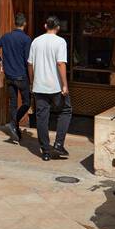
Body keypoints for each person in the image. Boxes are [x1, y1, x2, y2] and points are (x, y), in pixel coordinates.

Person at [28, 15, 72, 161]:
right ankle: (59, 144)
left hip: (39, 86)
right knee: (66, 110)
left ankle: (45, 151)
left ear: (45, 26)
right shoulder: (60, 42)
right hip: (56, 86)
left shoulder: (36, 41)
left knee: (42, 118)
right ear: (58, 28)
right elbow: (61, 63)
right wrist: (65, 84)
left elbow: (30, 64)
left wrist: (32, 81)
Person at [0, 12, 32, 144]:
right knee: (27, 102)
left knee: (13, 103)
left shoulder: (6, 37)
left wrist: (0, 60)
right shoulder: (26, 39)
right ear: (24, 24)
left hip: (9, 76)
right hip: (21, 76)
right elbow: (28, 60)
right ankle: (14, 124)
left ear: (15, 23)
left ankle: (13, 125)